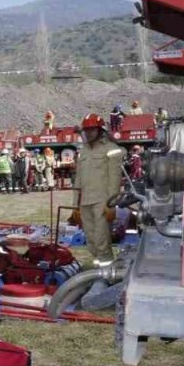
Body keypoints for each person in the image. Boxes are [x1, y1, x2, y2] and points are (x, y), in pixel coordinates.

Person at [75, 114, 125, 269]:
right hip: (85, 202)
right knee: (91, 240)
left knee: (102, 239)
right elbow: (78, 179)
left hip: (102, 202)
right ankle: (99, 270)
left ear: (100, 130)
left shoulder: (111, 150)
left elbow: (115, 179)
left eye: (91, 130)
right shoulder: (83, 151)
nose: (88, 133)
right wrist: (75, 204)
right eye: (86, 130)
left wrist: (111, 204)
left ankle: (107, 272)